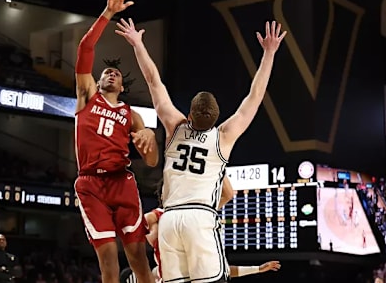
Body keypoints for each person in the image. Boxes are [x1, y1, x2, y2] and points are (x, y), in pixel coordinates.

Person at [116, 18, 285, 283]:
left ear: (189, 116)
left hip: (169, 221)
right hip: (199, 216)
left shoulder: (175, 127)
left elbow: (153, 80)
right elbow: (254, 96)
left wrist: (137, 43)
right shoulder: (223, 136)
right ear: (216, 119)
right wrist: (269, 54)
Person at [74, 0, 160, 283]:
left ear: (122, 87)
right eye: (106, 72)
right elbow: (85, 48)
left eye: (117, 74)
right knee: (108, 261)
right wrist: (108, 12)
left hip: (121, 181)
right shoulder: (86, 97)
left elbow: (151, 162)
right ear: (97, 82)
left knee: (137, 257)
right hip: (90, 183)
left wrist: (149, 136)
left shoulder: (131, 114)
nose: (111, 73)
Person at [120, 177, 281, 283]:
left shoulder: (195, 213)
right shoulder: (159, 217)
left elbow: (228, 194)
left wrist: (216, 163)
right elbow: (134, 225)